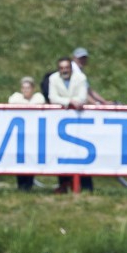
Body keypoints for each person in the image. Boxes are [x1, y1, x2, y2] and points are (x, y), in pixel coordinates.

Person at [48, 58, 93, 193]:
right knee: (62, 153)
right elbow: (53, 98)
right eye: (62, 68)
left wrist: (69, 102)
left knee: (83, 154)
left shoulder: (80, 78)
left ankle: (86, 186)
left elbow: (83, 97)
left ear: (71, 68)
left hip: (80, 122)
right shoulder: (53, 78)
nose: (64, 70)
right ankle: (64, 185)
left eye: (66, 67)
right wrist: (70, 102)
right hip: (61, 124)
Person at [8, 76, 46, 191]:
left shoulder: (38, 97)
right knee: (19, 160)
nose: (26, 91)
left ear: (33, 89)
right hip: (19, 136)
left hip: (34, 136)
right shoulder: (16, 97)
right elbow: (12, 101)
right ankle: (21, 185)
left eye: (28, 88)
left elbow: (40, 102)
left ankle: (29, 184)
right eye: (23, 88)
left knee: (31, 159)